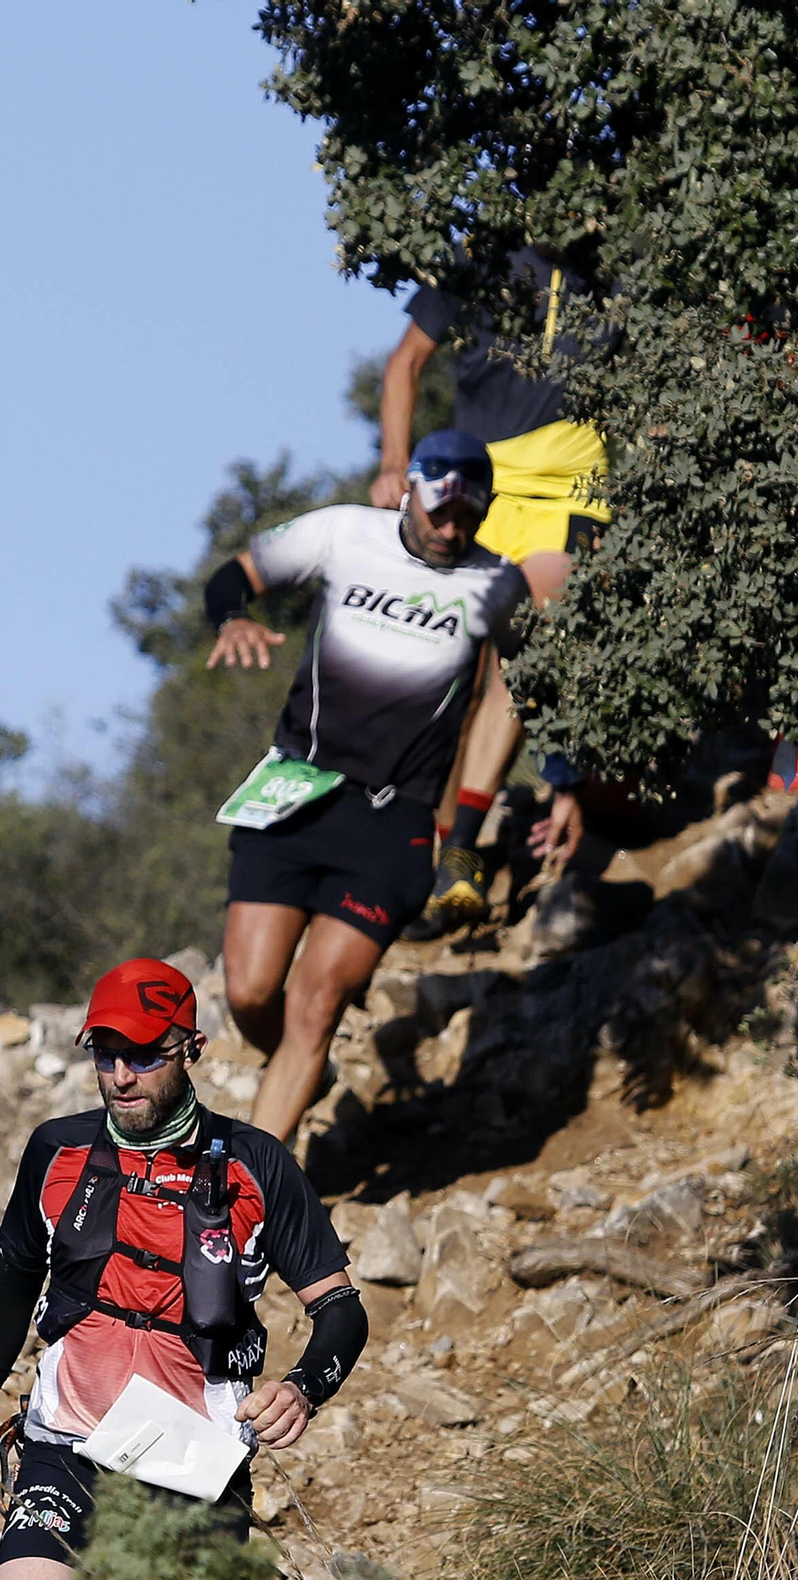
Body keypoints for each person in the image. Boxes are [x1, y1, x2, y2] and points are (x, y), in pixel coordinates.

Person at [0, 956, 368, 1580]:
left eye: (146, 1054)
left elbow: (341, 1309)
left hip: (196, 1467)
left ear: (192, 1048)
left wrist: (305, 1388)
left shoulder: (258, 1163)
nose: (122, 1075)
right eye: (107, 1052)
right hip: (64, 1452)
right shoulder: (55, 1150)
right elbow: (8, 1293)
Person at [205, 429, 578, 1142]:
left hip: (391, 823)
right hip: (295, 793)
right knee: (252, 993)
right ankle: (303, 1067)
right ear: (408, 487)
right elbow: (234, 575)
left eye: (466, 518)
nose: (449, 530)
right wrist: (233, 618)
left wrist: (563, 784)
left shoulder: (495, 583)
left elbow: (533, 688)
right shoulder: (344, 533)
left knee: (316, 1006)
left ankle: (247, 1207)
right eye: (439, 512)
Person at [371, 247, 616, 933]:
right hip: (477, 485)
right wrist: (394, 466)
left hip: (570, 485)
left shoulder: (624, 264)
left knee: (525, 650)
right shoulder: (479, 258)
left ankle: (463, 854)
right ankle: (430, 853)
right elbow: (403, 364)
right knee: (455, 674)